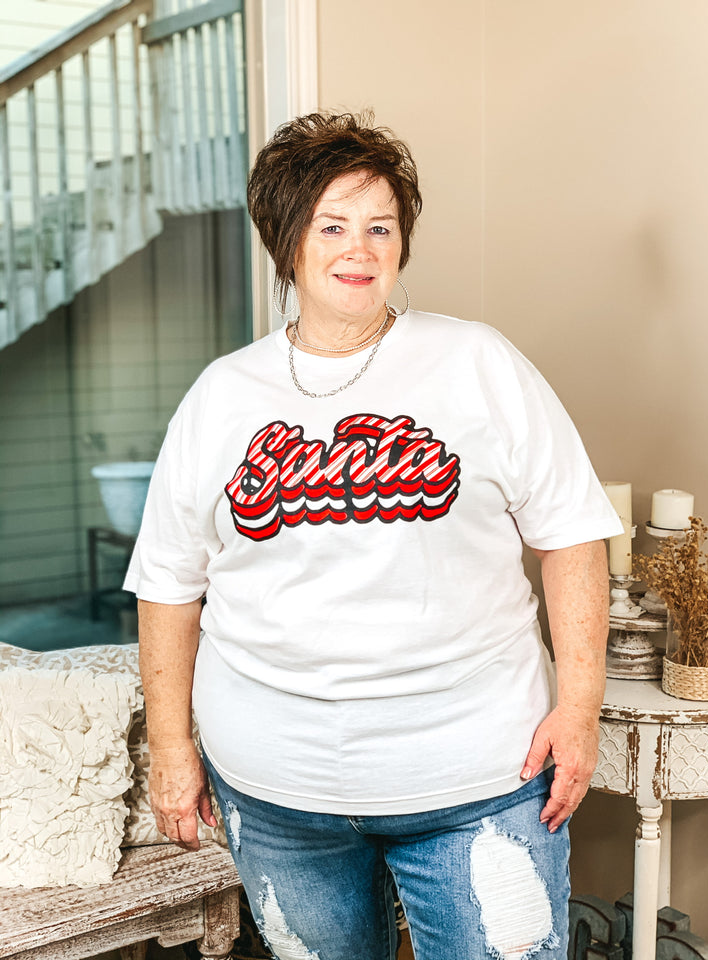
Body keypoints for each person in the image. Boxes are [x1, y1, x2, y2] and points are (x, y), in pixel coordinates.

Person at [124, 112, 622, 960]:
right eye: (333, 225)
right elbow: (170, 581)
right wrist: (172, 750)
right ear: (287, 244)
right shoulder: (222, 396)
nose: (360, 249)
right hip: (279, 795)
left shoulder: (478, 363)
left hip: (479, 781)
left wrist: (579, 708)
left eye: (380, 227)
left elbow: (573, 535)